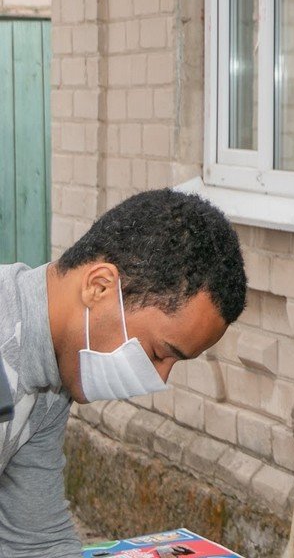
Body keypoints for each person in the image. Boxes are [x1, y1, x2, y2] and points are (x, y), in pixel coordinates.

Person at [0, 189, 247, 557]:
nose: (160, 378)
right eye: (159, 353)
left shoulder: (51, 380)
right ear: (99, 286)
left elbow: (37, 539)